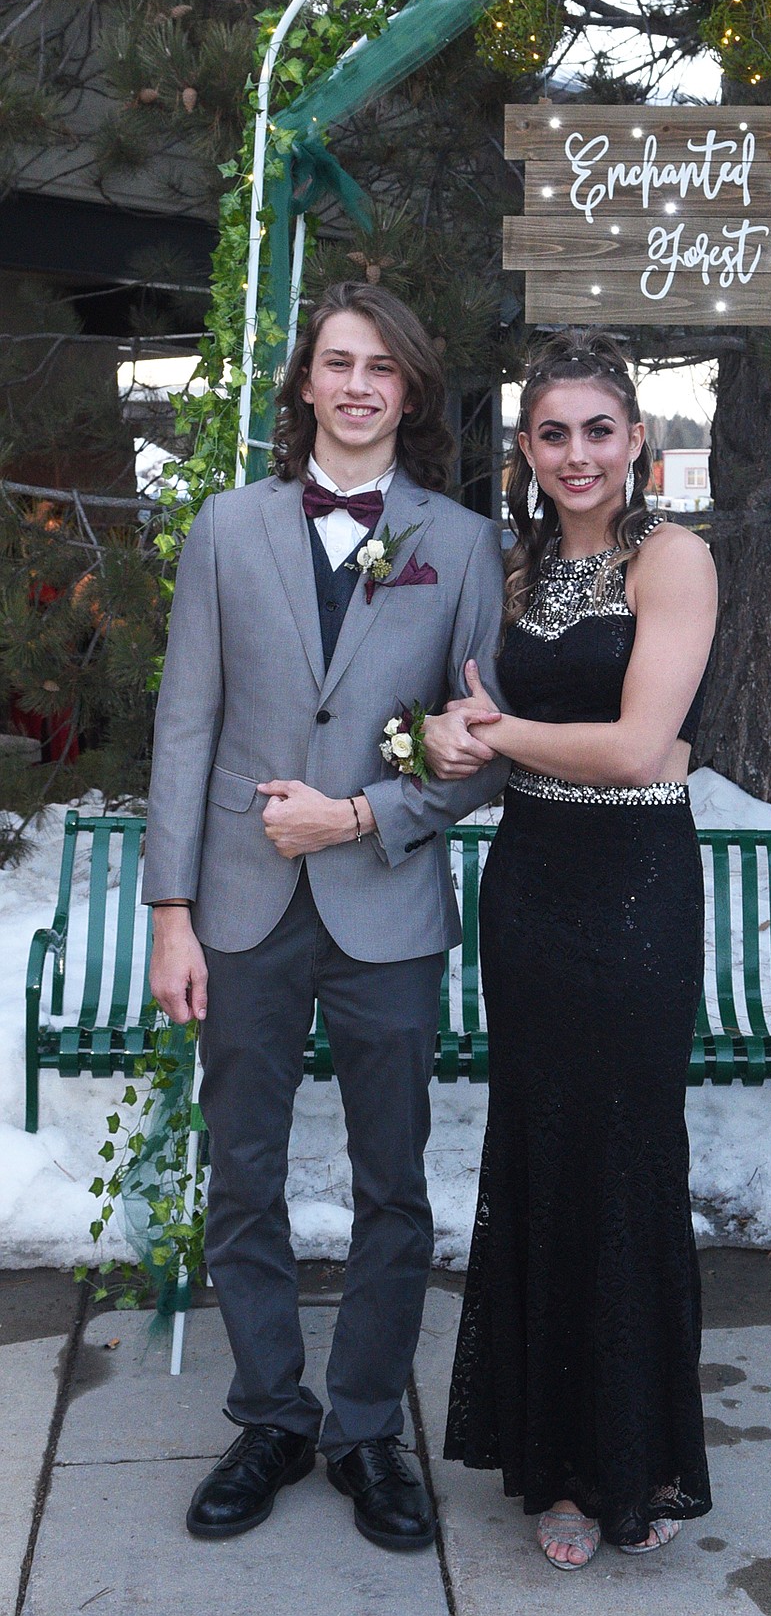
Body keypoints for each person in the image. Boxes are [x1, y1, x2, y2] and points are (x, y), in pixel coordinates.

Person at [142, 283, 509, 1552]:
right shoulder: (226, 529)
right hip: (242, 908)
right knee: (241, 1173)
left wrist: (364, 817)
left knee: (390, 1183)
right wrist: (171, 911)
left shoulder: (457, 544)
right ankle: (270, 1416)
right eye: (336, 365)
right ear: (305, 386)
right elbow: (185, 727)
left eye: (382, 369)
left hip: (386, 909)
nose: (357, 386)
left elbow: (485, 752)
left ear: (408, 393)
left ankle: (363, 1431)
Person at [428, 328, 717, 1570]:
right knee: (541, 1152)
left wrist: (502, 733)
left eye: (600, 429)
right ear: (526, 450)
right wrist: (453, 733)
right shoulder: (514, 569)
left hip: (638, 888)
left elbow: (641, 750)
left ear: (638, 440)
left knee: (629, 1154)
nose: (577, 453)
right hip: (533, 889)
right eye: (552, 433)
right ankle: (551, 1466)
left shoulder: (676, 558)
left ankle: (634, 1458)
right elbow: (461, 705)